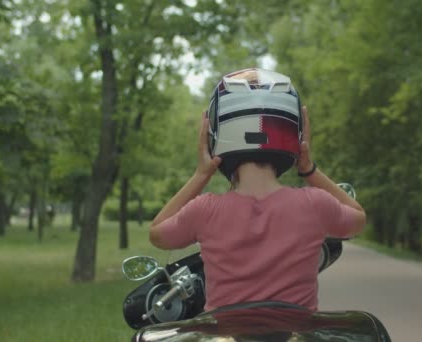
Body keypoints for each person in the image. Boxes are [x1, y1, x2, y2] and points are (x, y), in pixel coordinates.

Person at [149, 68, 366, 311]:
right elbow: (358, 218)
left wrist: (202, 174)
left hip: (226, 332)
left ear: (214, 135)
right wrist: (308, 168)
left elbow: (157, 233)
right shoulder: (314, 204)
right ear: (296, 134)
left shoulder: (205, 210)